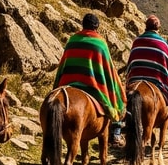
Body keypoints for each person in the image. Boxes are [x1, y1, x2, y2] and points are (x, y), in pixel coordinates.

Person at [53, 13, 127, 143]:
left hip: (68, 82)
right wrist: (117, 88)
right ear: (96, 27)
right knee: (110, 105)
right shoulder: (100, 43)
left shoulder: (73, 40)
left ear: (83, 25)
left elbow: (63, 64)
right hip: (93, 86)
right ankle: (116, 131)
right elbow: (108, 70)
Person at [127, 15, 168, 120]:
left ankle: (117, 126)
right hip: (157, 79)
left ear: (146, 26)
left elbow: (131, 62)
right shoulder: (162, 43)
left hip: (135, 78)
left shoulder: (137, 41)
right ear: (158, 27)